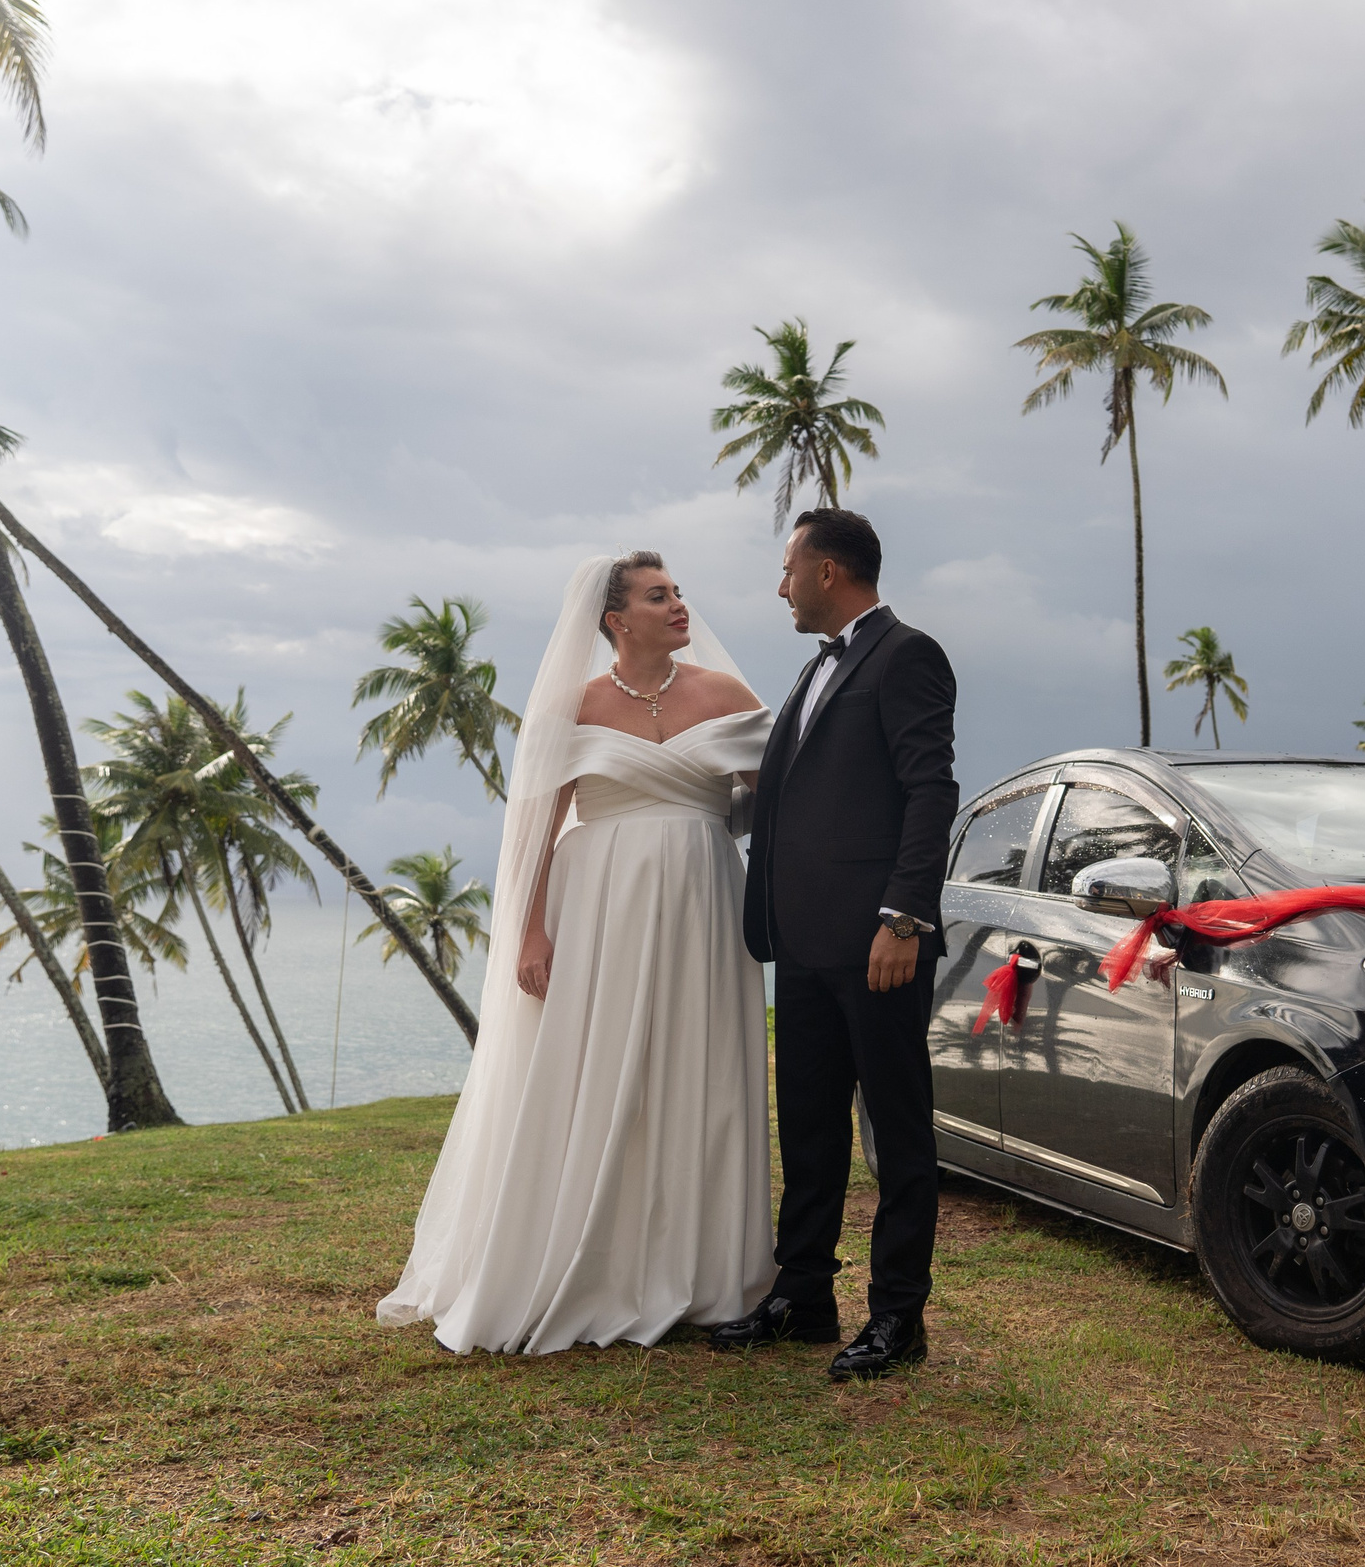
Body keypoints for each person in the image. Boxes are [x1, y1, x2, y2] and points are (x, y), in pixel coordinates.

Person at [378, 552, 775, 1352]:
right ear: (615, 620)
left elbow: (776, 803)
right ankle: (589, 1263)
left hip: (704, 903)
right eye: (658, 596)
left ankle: (705, 1270)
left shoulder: (727, 696)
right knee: (598, 1068)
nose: (678, 605)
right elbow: (536, 831)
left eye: (678, 592)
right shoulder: (575, 706)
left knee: (701, 1069)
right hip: (598, 909)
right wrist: (530, 932)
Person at [712, 508, 958, 1379]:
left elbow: (930, 791)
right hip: (807, 945)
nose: (779, 586)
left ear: (827, 570)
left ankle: (898, 1317)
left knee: (897, 1134)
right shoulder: (816, 669)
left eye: (789, 569)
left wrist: (903, 918)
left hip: (879, 944)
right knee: (810, 1129)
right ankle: (804, 1296)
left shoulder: (908, 655)